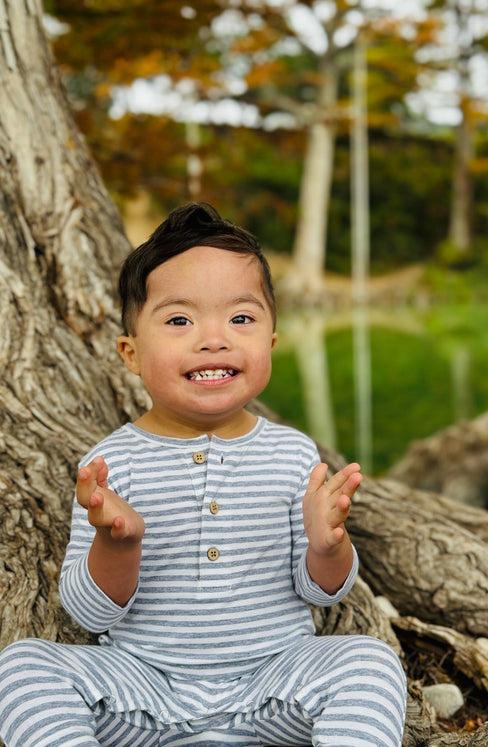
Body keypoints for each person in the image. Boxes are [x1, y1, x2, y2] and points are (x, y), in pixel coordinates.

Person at [0, 203, 407, 746]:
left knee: (368, 659)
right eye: (179, 320)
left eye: (241, 318)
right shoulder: (109, 464)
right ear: (131, 353)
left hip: (272, 688)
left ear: (270, 343)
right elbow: (86, 612)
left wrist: (326, 545)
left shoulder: (291, 454)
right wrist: (117, 545)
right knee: (23, 666)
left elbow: (322, 593)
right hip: (144, 692)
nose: (213, 339)